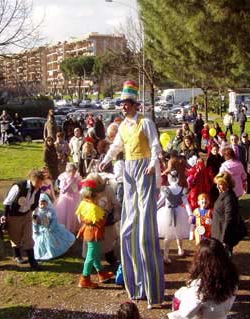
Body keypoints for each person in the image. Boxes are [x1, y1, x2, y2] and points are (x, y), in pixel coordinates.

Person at [99, 80, 164, 308]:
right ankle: (135, 285)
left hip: (143, 168)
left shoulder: (145, 123)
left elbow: (156, 146)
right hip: (128, 170)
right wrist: (105, 161)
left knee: (144, 230)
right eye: (122, 104)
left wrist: (153, 164)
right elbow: (115, 147)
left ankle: (152, 290)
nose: (124, 107)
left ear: (135, 105)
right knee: (127, 230)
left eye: (127, 103)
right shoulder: (123, 127)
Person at [168, 238, 238, 319]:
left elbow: (185, 314)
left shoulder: (201, 287)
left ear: (200, 260)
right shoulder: (232, 276)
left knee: (180, 293)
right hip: (221, 315)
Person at [75, 177, 114, 288]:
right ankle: (84, 279)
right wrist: (105, 213)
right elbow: (101, 222)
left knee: (95, 253)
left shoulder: (83, 203)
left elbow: (81, 217)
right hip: (94, 233)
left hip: (88, 231)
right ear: (95, 195)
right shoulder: (95, 208)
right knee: (91, 256)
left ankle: (101, 273)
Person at [3, 169, 44, 269]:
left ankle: (32, 261)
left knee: (28, 237)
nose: (40, 185)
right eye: (38, 182)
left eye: (41, 182)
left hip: (26, 214)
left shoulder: (38, 190)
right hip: (14, 215)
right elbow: (7, 202)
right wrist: (5, 216)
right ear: (32, 179)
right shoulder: (18, 187)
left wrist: (35, 215)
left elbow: (36, 204)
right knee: (15, 237)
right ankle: (17, 255)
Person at [157, 171, 193, 264]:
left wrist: (153, 209)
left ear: (169, 178)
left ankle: (166, 255)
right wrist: (190, 214)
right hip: (179, 211)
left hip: (167, 212)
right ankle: (179, 249)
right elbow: (186, 203)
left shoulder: (166, 189)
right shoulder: (182, 189)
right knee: (178, 231)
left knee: (167, 235)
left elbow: (161, 201)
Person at [32, 193, 76, 260]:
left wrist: (51, 227)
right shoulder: (36, 212)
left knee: (55, 240)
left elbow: (54, 220)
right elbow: (34, 222)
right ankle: (43, 253)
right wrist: (36, 230)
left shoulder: (50, 211)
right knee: (41, 242)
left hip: (51, 228)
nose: (43, 205)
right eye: (41, 203)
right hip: (41, 230)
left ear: (47, 203)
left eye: (44, 203)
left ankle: (56, 252)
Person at [211, 172, 242, 255]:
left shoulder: (229, 198)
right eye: (217, 184)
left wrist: (224, 239)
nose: (217, 186)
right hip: (218, 233)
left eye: (220, 184)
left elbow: (229, 219)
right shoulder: (223, 194)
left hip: (223, 236)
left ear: (227, 184)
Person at [55, 163, 82, 234]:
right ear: (68, 171)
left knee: (75, 213)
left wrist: (79, 184)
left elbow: (79, 188)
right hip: (66, 198)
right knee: (67, 214)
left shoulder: (77, 177)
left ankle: (74, 228)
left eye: (74, 171)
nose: (73, 173)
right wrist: (70, 183)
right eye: (71, 171)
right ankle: (66, 229)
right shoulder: (64, 177)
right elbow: (63, 191)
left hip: (75, 197)